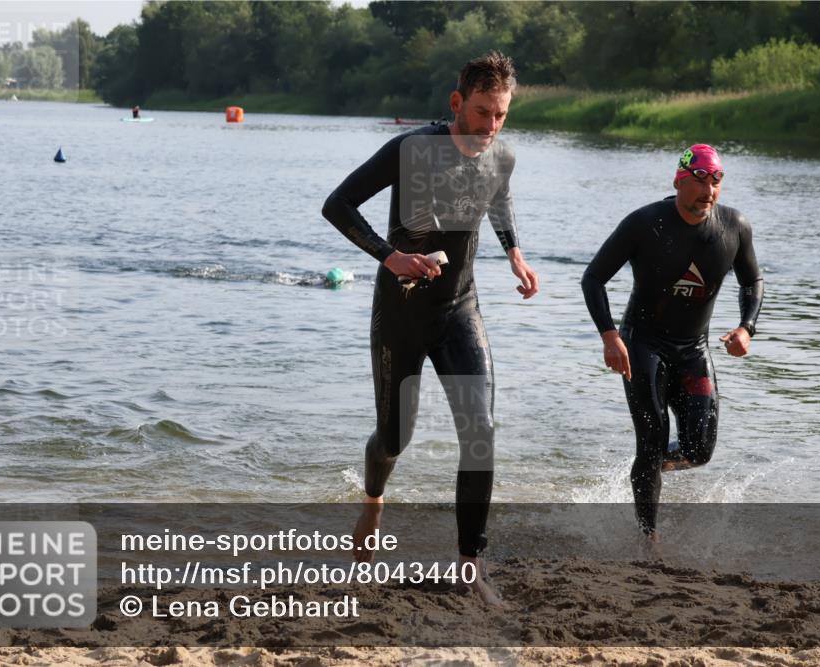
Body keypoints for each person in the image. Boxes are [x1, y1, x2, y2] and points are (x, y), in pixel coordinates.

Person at [322, 52, 539, 605]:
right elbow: (337, 204)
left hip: (459, 309)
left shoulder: (500, 156)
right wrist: (389, 256)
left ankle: (470, 565)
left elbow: (499, 196)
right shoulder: (412, 149)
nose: (492, 127)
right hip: (401, 314)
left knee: (481, 433)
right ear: (456, 103)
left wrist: (514, 252)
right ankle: (373, 500)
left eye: (502, 115)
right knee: (395, 437)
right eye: (483, 112)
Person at [580, 144, 763, 540]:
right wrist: (609, 336)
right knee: (652, 437)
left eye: (715, 182)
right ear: (678, 181)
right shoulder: (645, 223)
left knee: (699, 450)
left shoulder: (734, 227)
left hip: (694, 351)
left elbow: (752, 281)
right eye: (699, 181)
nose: (708, 191)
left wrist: (747, 327)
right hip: (641, 346)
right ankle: (650, 539)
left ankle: (645, 470)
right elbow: (593, 277)